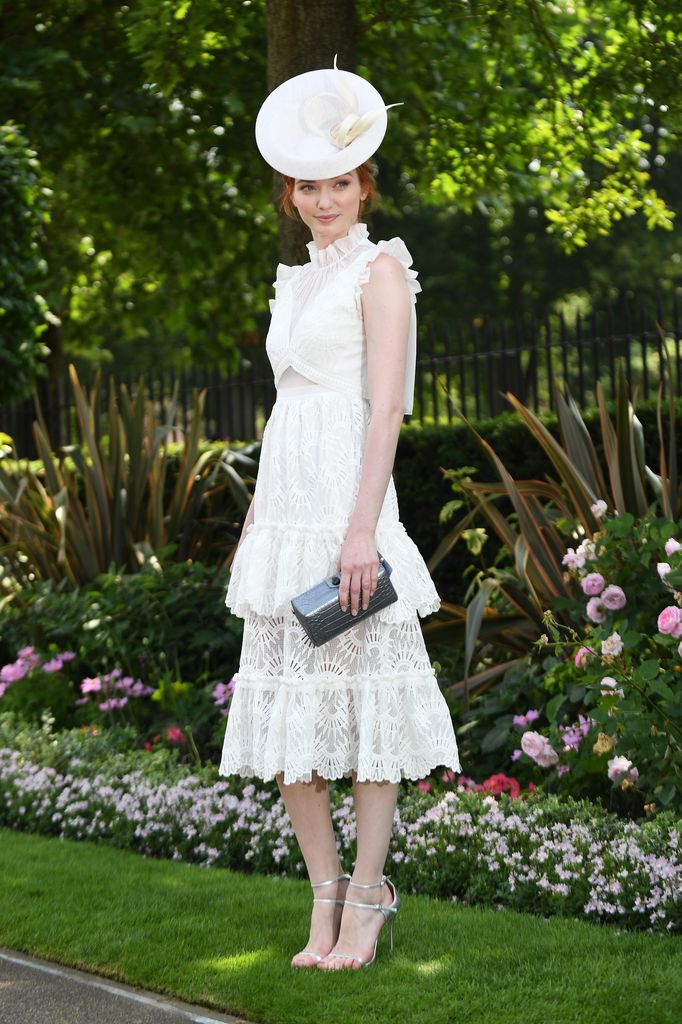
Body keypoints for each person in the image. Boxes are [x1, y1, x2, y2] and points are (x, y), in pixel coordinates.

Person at [219, 57, 461, 971]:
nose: (324, 201)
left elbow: (386, 406)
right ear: (291, 194)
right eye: (309, 186)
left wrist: (362, 532)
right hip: (284, 517)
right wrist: (255, 522)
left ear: (365, 186)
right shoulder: (293, 282)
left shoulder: (382, 271)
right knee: (292, 723)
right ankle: (322, 898)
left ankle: (368, 896)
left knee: (365, 717)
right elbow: (286, 409)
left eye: (340, 184)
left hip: (347, 514)